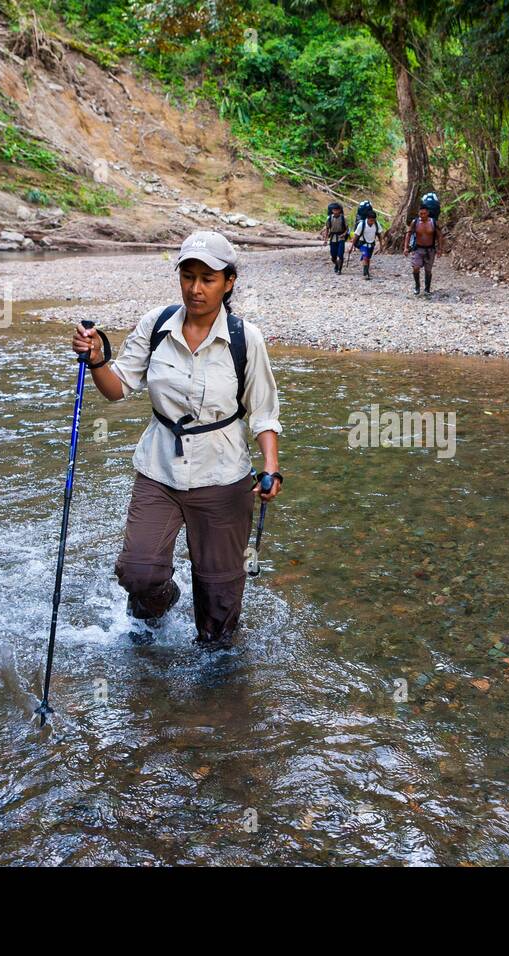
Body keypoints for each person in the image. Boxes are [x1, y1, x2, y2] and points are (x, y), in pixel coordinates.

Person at [70, 231, 283, 650]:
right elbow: (117, 388)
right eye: (188, 276)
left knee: (218, 615)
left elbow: (263, 411)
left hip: (223, 476)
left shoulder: (245, 339)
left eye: (207, 278)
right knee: (138, 573)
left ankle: (216, 700)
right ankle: (161, 609)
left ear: (229, 282)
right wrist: (96, 359)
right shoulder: (156, 325)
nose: (195, 288)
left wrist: (271, 468)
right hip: (159, 470)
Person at [404, 205, 442, 296]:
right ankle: (417, 286)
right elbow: (408, 234)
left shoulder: (433, 222)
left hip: (430, 250)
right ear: (418, 213)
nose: (422, 215)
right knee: (415, 268)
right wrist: (406, 247)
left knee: (428, 271)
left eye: (424, 213)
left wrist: (440, 249)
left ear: (428, 213)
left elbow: (440, 235)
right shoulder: (415, 222)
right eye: (421, 213)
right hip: (418, 249)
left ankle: (427, 288)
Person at [351, 212, 383, 279]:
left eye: (373, 220)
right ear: (367, 219)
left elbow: (379, 235)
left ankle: (367, 272)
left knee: (368, 258)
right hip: (363, 244)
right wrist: (352, 246)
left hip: (371, 244)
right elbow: (356, 236)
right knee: (365, 257)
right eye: (371, 220)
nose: (372, 222)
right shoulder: (361, 225)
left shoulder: (376, 224)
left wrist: (381, 245)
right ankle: (365, 274)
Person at [322, 202, 349, 274]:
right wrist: (325, 240)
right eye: (334, 210)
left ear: (340, 210)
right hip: (333, 238)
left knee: (340, 254)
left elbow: (347, 229)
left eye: (337, 210)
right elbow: (327, 229)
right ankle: (336, 264)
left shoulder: (343, 218)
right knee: (333, 256)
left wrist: (344, 234)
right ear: (332, 210)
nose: (336, 211)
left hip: (341, 238)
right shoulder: (329, 218)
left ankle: (340, 269)